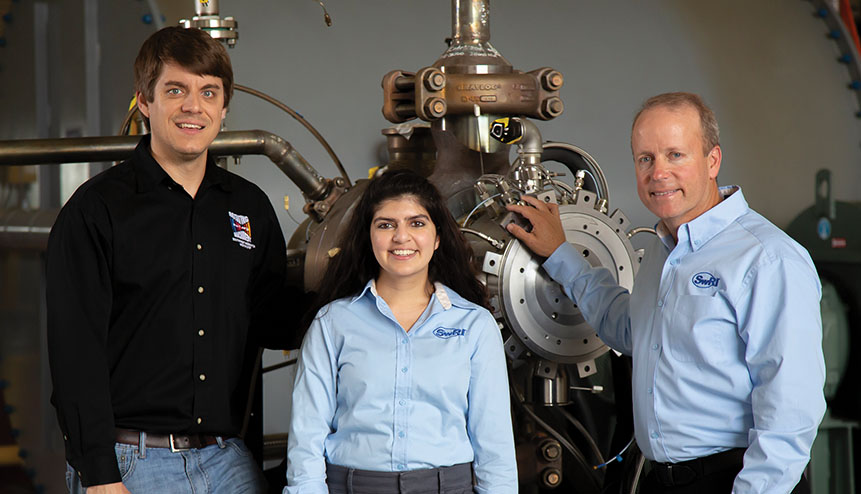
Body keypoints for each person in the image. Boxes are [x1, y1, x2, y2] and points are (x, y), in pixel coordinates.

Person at [505, 92, 825, 494]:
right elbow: (629, 330)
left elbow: (790, 407)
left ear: (712, 161)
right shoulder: (665, 250)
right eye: (646, 158)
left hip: (737, 479)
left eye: (676, 155)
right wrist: (560, 254)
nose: (659, 173)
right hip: (662, 479)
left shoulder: (767, 259)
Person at [47, 26, 291, 493]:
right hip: (132, 462)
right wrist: (99, 477)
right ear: (144, 100)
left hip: (227, 461)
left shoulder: (249, 206)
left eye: (208, 92)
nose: (192, 106)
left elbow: (271, 320)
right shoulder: (96, 211)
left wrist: (370, 283)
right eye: (175, 90)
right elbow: (75, 356)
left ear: (224, 107)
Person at [285, 170, 517, 494]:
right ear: (369, 236)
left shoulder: (474, 326)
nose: (401, 237)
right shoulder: (333, 323)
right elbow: (306, 438)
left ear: (437, 238)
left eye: (417, 223)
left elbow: (495, 447)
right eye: (386, 224)